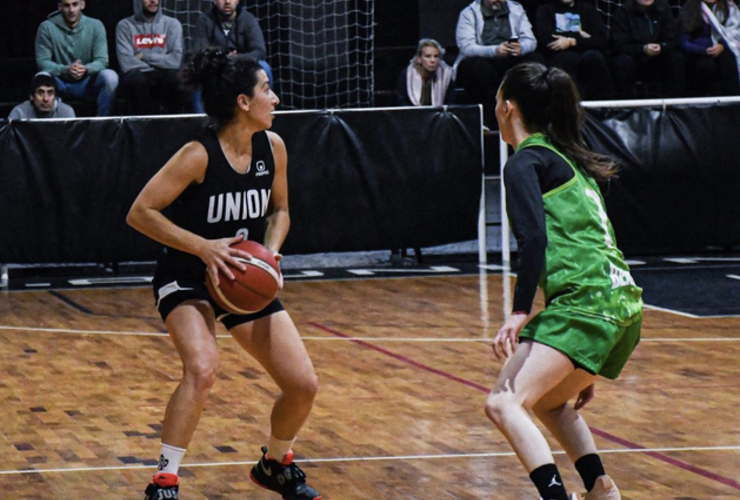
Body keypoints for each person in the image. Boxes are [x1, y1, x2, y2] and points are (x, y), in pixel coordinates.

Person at [126, 48, 320, 500]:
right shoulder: (197, 154)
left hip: (242, 279)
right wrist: (203, 246)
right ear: (242, 102)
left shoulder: (273, 148)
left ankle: (275, 464)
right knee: (203, 367)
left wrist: (269, 255)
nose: (275, 98)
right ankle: (165, 479)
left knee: (303, 384)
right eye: (266, 90)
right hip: (188, 275)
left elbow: (281, 211)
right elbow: (140, 212)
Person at [488, 62, 643, 500]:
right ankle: (602, 491)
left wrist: (519, 312)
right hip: (622, 308)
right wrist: (581, 358)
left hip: (586, 306)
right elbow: (603, 239)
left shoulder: (525, 162)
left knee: (503, 403)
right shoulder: (572, 162)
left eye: (497, 99)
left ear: (508, 108)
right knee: (549, 401)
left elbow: (533, 238)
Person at [454, 0, 545, 128]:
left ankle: (529, 120)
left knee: (536, 60)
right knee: (475, 68)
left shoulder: (516, 9)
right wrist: (495, 50)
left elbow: (530, 40)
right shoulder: (469, 13)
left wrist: (521, 48)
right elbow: (466, 47)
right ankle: (490, 121)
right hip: (484, 57)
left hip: (511, 58)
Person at [34, 0, 119, 116]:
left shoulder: (96, 25)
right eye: (66, 5)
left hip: (87, 83)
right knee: (41, 77)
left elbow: (102, 61)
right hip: (60, 83)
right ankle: (48, 125)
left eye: (75, 4)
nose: (71, 10)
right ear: (59, 7)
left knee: (110, 77)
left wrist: (85, 69)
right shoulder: (47, 27)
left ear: (82, 5)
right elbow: (42, 62)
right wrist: (66, 69)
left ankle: (102, 125)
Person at [191, 0, 273, 113]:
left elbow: (260, 51)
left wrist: (238, 58)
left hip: (241, 67)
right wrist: (222, 58)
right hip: (216, 67)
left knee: (265, 68)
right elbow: (198, 51)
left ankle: (263, 112)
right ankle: (200, 120)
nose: (227, 2)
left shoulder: (248, 19)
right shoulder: (204, 20)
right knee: (197, 72)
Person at [116, 0, 191, 115]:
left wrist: (144, 56)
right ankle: (141, 128)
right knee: (134, 80)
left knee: (176, 79)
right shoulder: (125, 25)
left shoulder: (172, 24)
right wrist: (162, 61)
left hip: (165, 73)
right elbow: (126, 63)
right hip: (139, 73)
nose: (153, 1)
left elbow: (175, 61)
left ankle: (174, 128)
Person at [534, 0, 614, 100]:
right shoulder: (545, 10)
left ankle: (605, 107)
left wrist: (572, 41)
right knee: (568, 58)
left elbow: (601, 41)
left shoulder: (587, 9)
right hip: (559, 56)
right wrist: (582, 37)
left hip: (587, 54)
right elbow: (546, 40)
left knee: (594, 57)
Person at [610, 0, 686, 98]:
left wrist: (662, 47)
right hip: (634, 59)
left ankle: (675, 107)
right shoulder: (623, 12)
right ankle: (625, 109)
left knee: (677, 58)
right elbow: (619, 45)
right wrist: (643, 49)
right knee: (621, 62)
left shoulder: (663, 9)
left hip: (659, 58)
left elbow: (672, 39)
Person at [678, 0, 740, 96]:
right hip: (698, 53)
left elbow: (735, 33)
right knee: (706, 65)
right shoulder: (689, 9)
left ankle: (732, 102)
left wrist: (723, 45)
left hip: (723, 49)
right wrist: (703, 50)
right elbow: (683, 41)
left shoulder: (730, 8)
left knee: (728, 59)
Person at [396, 38, 455, 106]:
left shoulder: (446, 74)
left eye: (436, 56)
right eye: (428, 56)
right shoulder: (408, 74)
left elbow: (451, 102)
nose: (433, 60)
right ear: (419, 59)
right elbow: (402, 101)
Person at [9, 72, 76, 120]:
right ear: (31, 96)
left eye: (50, 93)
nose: (46, 99)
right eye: (40, 93)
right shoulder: (20, 112)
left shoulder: (66, 112)